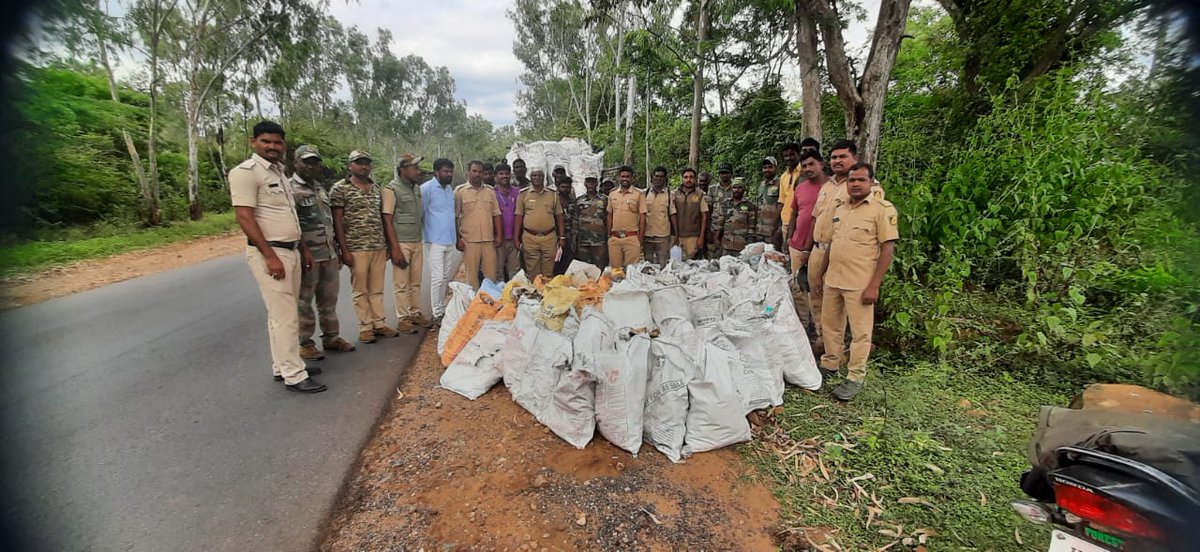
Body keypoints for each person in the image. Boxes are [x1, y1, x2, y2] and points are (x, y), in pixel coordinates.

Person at [229, 121, 325, 393]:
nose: (272, 146)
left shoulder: (280, 173)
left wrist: (303, 249)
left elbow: (291, 217)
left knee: (281, 313)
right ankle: (295, 374)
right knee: (285, 316)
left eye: (277, 142)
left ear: (284, 145)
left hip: (290, 249)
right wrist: (269, 256)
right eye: (265, 141)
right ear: (253, 142)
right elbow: (244, 216)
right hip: (271, 252)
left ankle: (282, 364)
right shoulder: (246, 173)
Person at [814, 162, 898, 401]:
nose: (856, 184)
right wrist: (821, 273)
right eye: (852, 180)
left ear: (871, 182)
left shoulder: (882, 209)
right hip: (834, 278)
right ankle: (831, 364)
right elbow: (832, 244)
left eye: (861, 180)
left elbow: (887, 249)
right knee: (831, 325)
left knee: (861, 332)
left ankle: (855, 377)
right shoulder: (841, 209)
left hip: (860, 282)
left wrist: (874, 285)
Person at [292, 145, 355, 361]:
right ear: (296, 163)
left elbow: (328, 220)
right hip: (308, 255)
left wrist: (337, 247)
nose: (311, 166)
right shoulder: (290, 189)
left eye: (315, 162)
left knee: (328, 299)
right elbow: (293, 225)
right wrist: (304, 251)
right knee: (304, 301)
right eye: (306, 162)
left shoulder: (320, 188)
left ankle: (331, 337)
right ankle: (305, 343)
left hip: (328, 254)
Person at [331, 150, 400, 344]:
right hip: (356, 247)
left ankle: (379, 323)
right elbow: (337, 220)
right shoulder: (340, 189)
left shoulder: (375, 187)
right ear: (350, 166)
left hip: (377, 245)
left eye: (367, 163)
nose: (364, 166)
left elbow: (382, 218)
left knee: (377, 288)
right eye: (359, 163)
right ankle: (365, 327)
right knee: (360, 289)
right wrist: (344, 250)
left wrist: (387, 244)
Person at [382, 153, 431, 334]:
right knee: (401, 283)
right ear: (403, 170)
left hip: (417, 241)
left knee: (415, 281)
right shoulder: (392, 189)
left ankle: (415, 312)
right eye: (414, 168)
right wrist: (394, 248)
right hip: (401, 242)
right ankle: (403, 318)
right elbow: (387, 219)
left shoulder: (416, 189)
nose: (418, 171)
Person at [784, 151, 828, 343]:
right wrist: (790, 237)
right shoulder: (800, 188)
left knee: (818, 291)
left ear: (821, 163)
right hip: (796, 245)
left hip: (820, 247)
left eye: (812, 164)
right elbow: (794, 213)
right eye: (805, 166)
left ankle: (822, 335)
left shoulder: (830, 188)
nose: (808, 169)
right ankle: (803, 329)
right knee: (799, 289)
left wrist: (808, 249)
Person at [422, 158, 459, 326]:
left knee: (445, 276)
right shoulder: (426, 189)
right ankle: (436, 313)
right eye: (446, 171)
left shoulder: (449, 189)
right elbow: (420, 214)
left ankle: (441, 308)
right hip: (434, 240)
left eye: (450, 171)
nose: (449, 174)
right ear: (436, 172)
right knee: (437, 277)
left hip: (449, 239)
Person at [454, 160, 502, 289]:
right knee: (472, 278)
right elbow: (456, 217)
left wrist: (499, 236)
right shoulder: (460, 192)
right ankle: (473, 306)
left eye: (480, 172)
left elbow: (496, 214)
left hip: (489, 240)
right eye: (474, 171)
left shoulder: (490, 191)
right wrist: (457, 239)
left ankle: (489, 305)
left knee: (491, 278)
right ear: (468, 173)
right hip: (469, 241)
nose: (477, 174)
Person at [515, 169, 564, 279]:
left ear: (544, 178)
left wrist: (562, 237)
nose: (537, 178)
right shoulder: (523, 194)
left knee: (548, 271)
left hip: (549, 237)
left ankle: (546, 294)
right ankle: (534, 294)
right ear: (530, 177)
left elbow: (559, 217)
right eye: (534, 175)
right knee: (533, 272)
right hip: (530, 238)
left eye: (540, 175)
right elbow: (518, 217)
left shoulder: (553, 195)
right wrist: (516, 238)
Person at [607, 165, 647, 269]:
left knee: (631, 271)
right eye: (623, 176)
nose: (625, 179)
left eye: (628, 177)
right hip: (615, 238)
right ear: (618, 178)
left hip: (631, 237)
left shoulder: (639, 195)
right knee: (615, 271)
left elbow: (643, 217)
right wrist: (609, 235)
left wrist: (640, 239)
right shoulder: (612, 194)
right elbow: (610, 215)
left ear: (632, 178)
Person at [643, 165, 676, 266]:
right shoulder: (644, 194)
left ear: (665, 178)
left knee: (663, 265)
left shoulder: (670, 195)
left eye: (661, 176)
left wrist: (676, 235)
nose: (658, 179)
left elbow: (673, 215)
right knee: (648, 265)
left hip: (663, 237)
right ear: (652, 177)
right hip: (647, 236)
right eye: (656, 176)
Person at [493, 163, 522, 281]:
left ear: (510, 175)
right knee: (497, 270)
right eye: (501, 174)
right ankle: (499, 297)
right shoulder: (491, 193)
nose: (504, 176)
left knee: (515, 271)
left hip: (514, 238)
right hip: (497, 239)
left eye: (506, 173)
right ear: (496, 176)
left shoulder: (518, 192)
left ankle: (513, 296)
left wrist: (518, 236)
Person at [673, 167, 708, 260]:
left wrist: (701, 237)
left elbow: (704, 216)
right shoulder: (674, 194)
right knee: (675, 263)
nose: (688, 180)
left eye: (691, 177)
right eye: (686, 177)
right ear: (682, 179)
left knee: (690, 264)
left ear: (695, 179)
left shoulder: (700, 195)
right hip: (675, 236)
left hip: (692, 236)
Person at [572, 176, 608, 267]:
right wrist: (574, 238)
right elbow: (575, 219)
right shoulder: (579, 201)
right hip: (583, 241)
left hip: (599, 241)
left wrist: (609, 237)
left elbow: (608, 218)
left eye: (593, 182)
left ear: (597, 183)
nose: (590, 184)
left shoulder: (604, 200)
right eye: (588, 182)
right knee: (584, 268)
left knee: (600, 267)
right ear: (585, 183)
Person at [719, 177, 757, 257]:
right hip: (726, 245)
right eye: (734, 187)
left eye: (740, 187)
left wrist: (750, 245)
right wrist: (716, 239)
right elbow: (720, 224)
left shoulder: (749, 205)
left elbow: (751, 227)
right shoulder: (725, 203)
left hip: (742, 246)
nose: (737, 190)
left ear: (744, 189)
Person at [706, 163, 734, 258]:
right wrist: (708, 228)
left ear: (731, 174)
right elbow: (708, 209)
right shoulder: (712, 189)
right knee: (713, 254)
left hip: (730, 227)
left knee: (728, 256)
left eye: (726, 173)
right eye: (722, 173)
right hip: (714, 226)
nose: (724, 175)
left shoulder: (736, 188)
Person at [777, 142, 805, 241]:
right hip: (786, 221)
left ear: (798, 154)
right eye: (786, 156)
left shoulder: (805, 172)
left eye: (792, 155)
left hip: (801, 221)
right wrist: (778, 223)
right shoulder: (784, 176)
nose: (789, 158)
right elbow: (781, 200)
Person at [756, 156, 783, 252]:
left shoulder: (781, 183)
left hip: (773, 231)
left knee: (773, 260)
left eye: (770, 167)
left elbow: (784, 207)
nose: (767, 170)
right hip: (759, 231)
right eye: (765, 167)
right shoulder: (761, 185)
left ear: (776, 168)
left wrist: (779, 230)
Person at [553, 175, 576, 274]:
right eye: (563, 187)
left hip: (570, 237)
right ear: (558, 187)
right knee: (555, 263)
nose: (565, 189)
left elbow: (576, 220)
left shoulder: (574, 203)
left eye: (568, 187)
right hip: (555, 237)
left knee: (569, 263)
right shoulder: (553, 201)